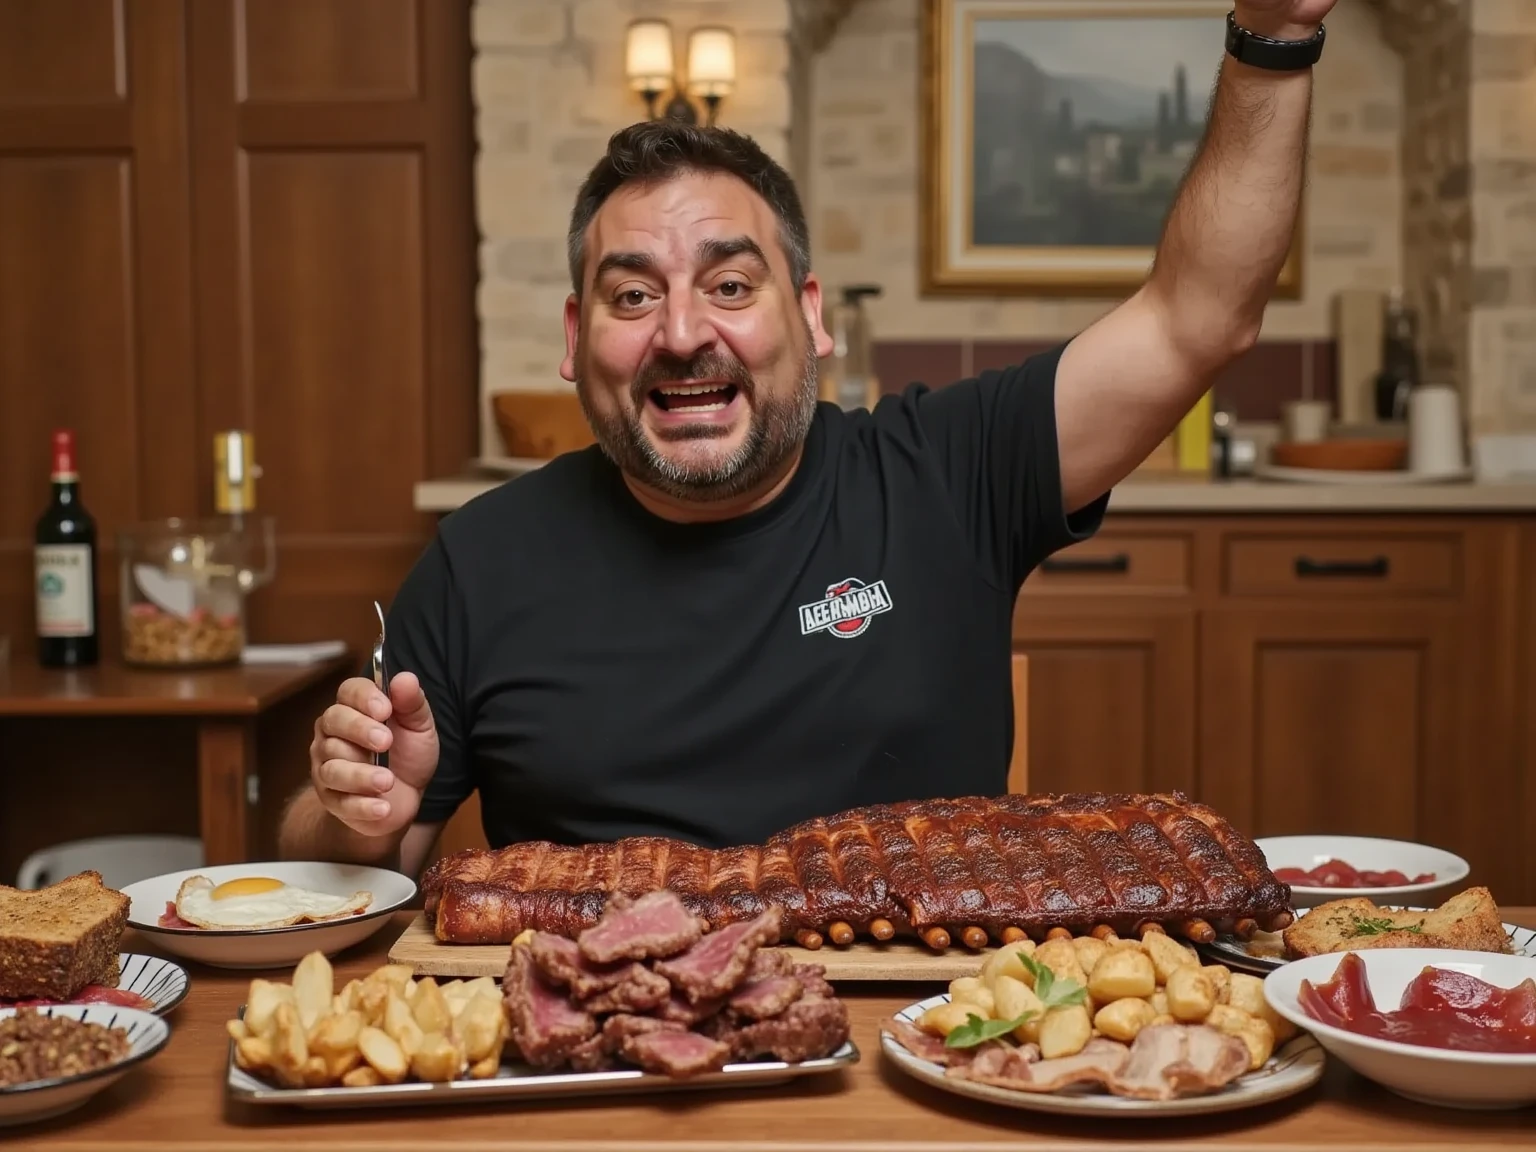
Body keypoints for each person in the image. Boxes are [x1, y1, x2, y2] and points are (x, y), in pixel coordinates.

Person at [279, 1, 1334, 878]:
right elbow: (339, 861)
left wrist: (1273, 38)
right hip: (597, 1066)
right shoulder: (481, 559)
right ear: (575, 337)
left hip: (924, 1052)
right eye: (634, 294)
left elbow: (1203, 315)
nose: (684, 333)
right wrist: (356, 816)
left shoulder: (946, 475)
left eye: (731, 285)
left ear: (812, 316)